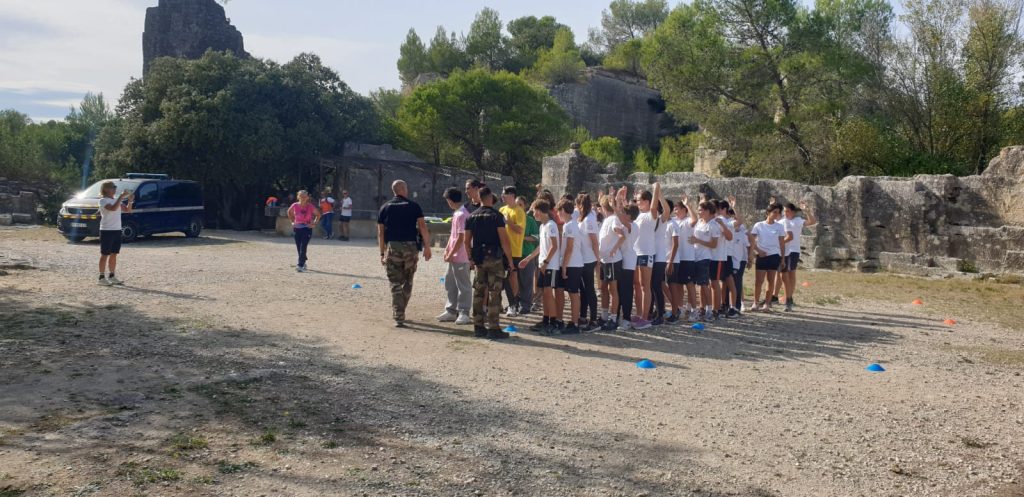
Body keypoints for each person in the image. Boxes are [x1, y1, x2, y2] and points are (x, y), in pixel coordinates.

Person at [377, 180, 432, 327]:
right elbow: (422, 227)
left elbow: (381, 233)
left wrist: (382, 253)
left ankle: (398, 314)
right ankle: (401, 310)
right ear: (404, 189)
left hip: (393, 247)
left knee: (395, 282)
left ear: (394, 190)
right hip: (411, 248)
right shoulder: (414, 206)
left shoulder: (385, 207)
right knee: (408, 280)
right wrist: (427, 247)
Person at [464, 186, 516, 339]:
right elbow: (504, 240)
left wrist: (470, 258)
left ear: (479, 198)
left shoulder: (471, 216)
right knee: (495, 292)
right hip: (494, 258)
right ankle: (494, 328)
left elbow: (467, 241)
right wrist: (510, 261)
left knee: (479, 292)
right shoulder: (497, 216)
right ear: (490, 198)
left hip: (479, 258)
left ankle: (478, 326)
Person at [520, 199, 560, 335]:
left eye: (534, 211)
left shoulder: (551, 225)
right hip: (543, 265)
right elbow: (541, 247)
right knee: (544, 294)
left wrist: (546, 262)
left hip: (550, 266)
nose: (533, 214)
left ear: (540, 211)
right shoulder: (543, 226)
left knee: (548, 293)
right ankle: (545, 320)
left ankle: (553, 323)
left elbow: (554, 246)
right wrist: (528, 258)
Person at [632, 183, 668, 329]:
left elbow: (654, 209)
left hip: (647, 253)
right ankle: (639, 313)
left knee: (645, 286)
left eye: (639, 200)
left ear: (647, 201)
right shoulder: (639, 215)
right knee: (638, 285)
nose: (637, 202)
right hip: (637, 253)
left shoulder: (652, 215)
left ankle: (645, 317)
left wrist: (656, 191)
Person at [437, 188, 472, 325]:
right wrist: (447, 249)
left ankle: (464, 312)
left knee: (463, 285)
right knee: (450, 282)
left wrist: (451, 253)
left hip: (461, 256)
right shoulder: (457, 213)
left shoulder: (462, 214)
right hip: (454, 256)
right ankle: (451, 310)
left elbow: (462, 237)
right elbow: (453, 235)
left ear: (450, 200)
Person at [777, 201, 817, 312]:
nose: (786, 213)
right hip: (782, 251)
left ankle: (789, 298)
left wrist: (807, 211)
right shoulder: (782, 221)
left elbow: (812, 222)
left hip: (793, 250)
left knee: (791, 274)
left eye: (788, 211)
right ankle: (787, 297)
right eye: (785, 211)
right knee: (783, 275)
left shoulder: (798, 220)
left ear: (793, 212)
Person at [748, 202, 787, 312]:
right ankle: (755, 302)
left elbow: (782, 243)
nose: (776, 214)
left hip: (774, 256)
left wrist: (783, 258)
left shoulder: (779, 227)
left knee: (770, 281)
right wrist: (758, 251)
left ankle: (767, 303)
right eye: (774, 212)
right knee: (758, 281)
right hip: (762, 256)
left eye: (778, 213)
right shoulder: (759, 225)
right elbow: (751, 240)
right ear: (768, 213)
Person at [597, 193, 627, 331]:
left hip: (613, 260)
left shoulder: (614, 219)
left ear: (604, 207)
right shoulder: (607, 219)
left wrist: (614, 249)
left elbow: (622, 235)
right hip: (605, 260)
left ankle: (613, 318)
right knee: (604, 287)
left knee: (612, 289)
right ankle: (604, 316)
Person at [556, 198, 585, 334]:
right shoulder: (569, 224)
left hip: (572, 264)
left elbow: (569, 247)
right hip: (570, 263)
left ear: (563, 211)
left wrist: (564, 266)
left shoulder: (570, 225)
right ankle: (562, 320)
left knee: (573, 293)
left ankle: (574, 323)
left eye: (559, 211)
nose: (558, 214)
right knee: (562, 291)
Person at [97, 181, 133, 285]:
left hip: (117, 230)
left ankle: (112, 276)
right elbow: (112, 209)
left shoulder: (116, 200)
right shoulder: (103, 200)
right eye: (113, 187)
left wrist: (130, 201)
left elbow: (127, 210)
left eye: (115, 187)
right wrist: (121, 197)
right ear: (106, 189)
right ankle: (101, 278)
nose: (115, 189)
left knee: (114, 254)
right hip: (106, 230)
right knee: (105, 254)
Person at [689, 200, 721, 321]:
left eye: (701, 210)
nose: (699, 212)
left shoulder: (713, 225)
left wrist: (698, 241)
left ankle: (709, 311)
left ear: (708, 211)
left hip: (704, 258)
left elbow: (714, 244)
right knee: (698, 285)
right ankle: (700, 309)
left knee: (704, 284)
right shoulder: (699, 222)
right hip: (694, 257)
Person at [669, 196, 698, 321]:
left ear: (684, 210)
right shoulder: (674, 221)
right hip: (677, 258)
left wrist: (688, 205)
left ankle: (694, 311)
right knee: (678, 285)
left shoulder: (687, 220)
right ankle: (680, 309)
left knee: (690, 285)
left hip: (688, 258)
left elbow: (695, 220)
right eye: (674, 209)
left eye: (677, 209)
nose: (675, 211)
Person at [499, 186, 525, 317]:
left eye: (504, 194)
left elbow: (520, 230)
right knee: (502, 278)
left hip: (514, 250)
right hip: (501, 249)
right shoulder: (502, 209)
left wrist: (508, 222)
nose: (502, 196)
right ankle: (506, 304)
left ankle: (514, 304)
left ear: (512, 195)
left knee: (512, 278)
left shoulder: (519, 211)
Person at [576, 193, 601, 330]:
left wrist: (597, 259)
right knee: (584, 290)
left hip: (588, 259)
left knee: (589, 289)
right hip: (583, 258)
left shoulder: (589, 220)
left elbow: (594, 242)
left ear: (580, 205)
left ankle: (593, 320)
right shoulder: (585, 217)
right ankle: (583, 316)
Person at [710, 199, 737, 318]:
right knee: (719, 283)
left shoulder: (723, 221)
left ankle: (732, 307)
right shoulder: (711, 220)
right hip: (712, 256)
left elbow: (730, 236)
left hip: (725, 255)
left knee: (728, 281)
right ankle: (721, 305)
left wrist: (734, 207)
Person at [288, 190, 320, 273]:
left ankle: (300, 265)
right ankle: (303, 261)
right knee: (299, 247)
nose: (303, 198)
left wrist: (314, 223)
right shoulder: (295, 205)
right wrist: (292, 222)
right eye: (301, 196)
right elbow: (289, 212)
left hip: (307, 228)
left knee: (303, 246)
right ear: (298, 197)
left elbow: (318, 215)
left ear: (307, 198)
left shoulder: (310, 206)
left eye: (305, 196)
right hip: (297, 228)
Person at [517, 196, 539, 315]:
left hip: (527, 254)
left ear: (525, 206)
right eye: (516, 205)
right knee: (515, 282)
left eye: (520, 204)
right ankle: (514, 304)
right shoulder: (512, 219)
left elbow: (536, 237)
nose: (518, 207)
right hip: (514, 254)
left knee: (526, 282)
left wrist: (522, 238)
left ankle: (525, 305)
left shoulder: (530, 221)